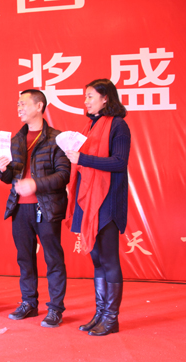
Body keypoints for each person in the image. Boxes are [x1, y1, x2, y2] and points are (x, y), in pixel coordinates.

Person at [0, 89, 70, 328]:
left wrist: (35, 184)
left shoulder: (57, 138)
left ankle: (55, 308)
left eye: (24, 104)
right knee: (25, 258)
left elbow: (64, 175)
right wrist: (2, 169)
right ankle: (29, 302)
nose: (19, 108)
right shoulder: (15, 139)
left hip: (46, 208)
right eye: (18, 104)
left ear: (39, 106)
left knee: (53, 258)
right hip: (20, 209)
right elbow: (9, 178)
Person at [64, 79, 130, 336]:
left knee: (109, 259)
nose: (86, 101)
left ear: (105, 98)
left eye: (90, 96)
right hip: (88, 198)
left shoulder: (119, 126)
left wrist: (83, 158)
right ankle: (100, 313)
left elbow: (119, 162)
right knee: (97, 259)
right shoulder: (89, 126)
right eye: (86, 96)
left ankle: (111, 318)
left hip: (107, 200)